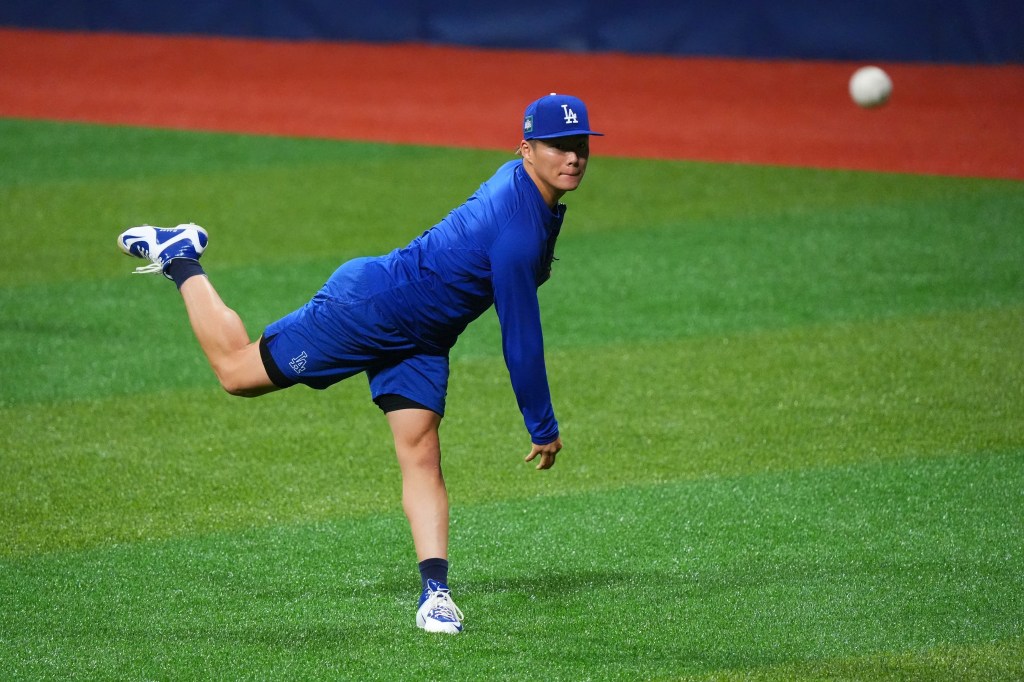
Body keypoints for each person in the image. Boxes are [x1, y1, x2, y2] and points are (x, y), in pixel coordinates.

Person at [117, 93, 602, 634]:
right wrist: (543, 424)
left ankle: (436, 595)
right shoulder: (518, 229)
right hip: (369, 310)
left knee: (421, 453)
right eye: (558, 146)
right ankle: (181, 255)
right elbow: (521, 337)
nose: (573, 157)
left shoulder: (526, 190)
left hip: (422, 337)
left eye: (580, 145)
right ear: (526, 149)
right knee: (236, 373)